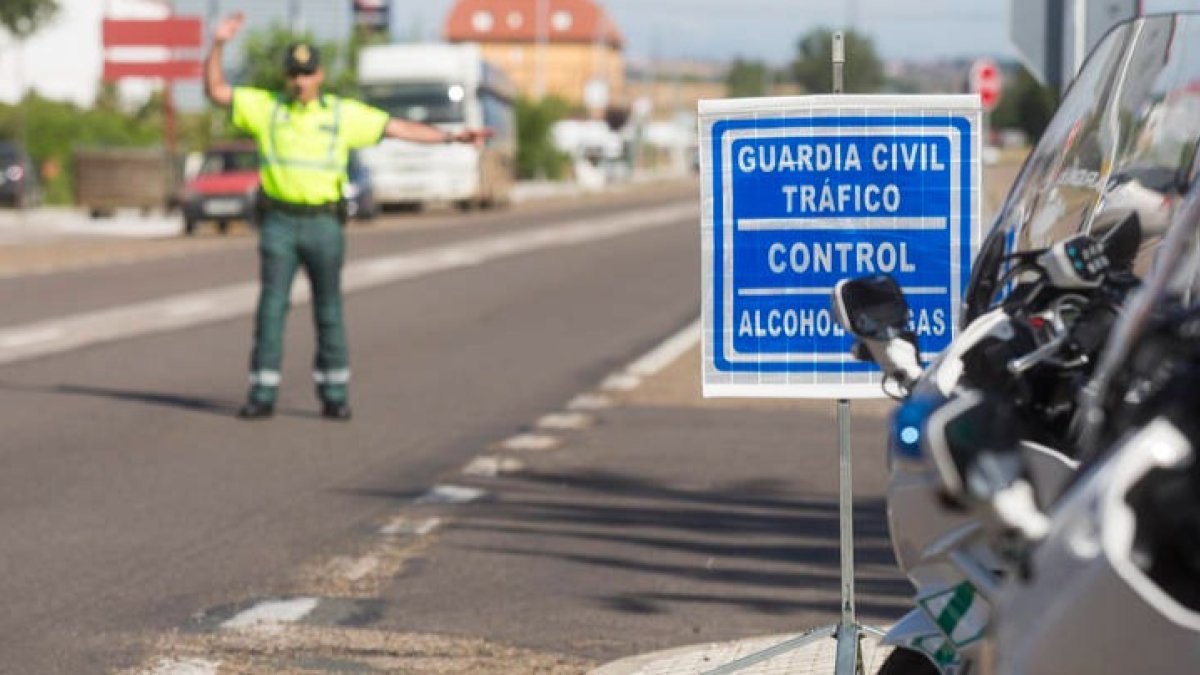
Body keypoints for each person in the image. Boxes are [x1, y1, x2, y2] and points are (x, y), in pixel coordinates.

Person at [204, 12, 489, 421]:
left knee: (329, 309)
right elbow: (216, 90)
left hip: (324, 224)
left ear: (320, 75)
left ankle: (334, 392)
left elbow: (399, 128)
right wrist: (217, 45)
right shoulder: (267, 109)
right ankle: (262, 391)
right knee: (271, 307)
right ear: (287, 77)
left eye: (307, 73)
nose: (300, 81)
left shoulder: (341, 114)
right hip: (280, 223)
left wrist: (452, 137)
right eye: (294, 74)